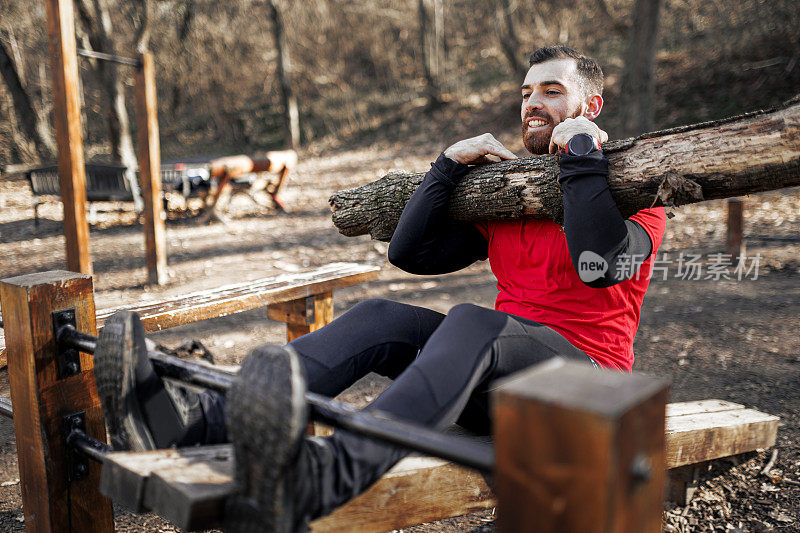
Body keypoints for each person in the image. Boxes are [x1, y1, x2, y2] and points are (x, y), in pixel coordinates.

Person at [94, 45, 666, 532]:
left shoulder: (634, 187)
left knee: (474, 321)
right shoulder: (509, 192)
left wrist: (584, 157)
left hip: (590, 395)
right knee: (379, 316)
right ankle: (194, 424)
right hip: (500, 392)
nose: (533, 104)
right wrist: (444, 168)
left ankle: (333, 472)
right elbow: (409, 254)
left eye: (550, 91)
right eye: (525, 93)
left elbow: (597, 264)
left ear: (589, 107)